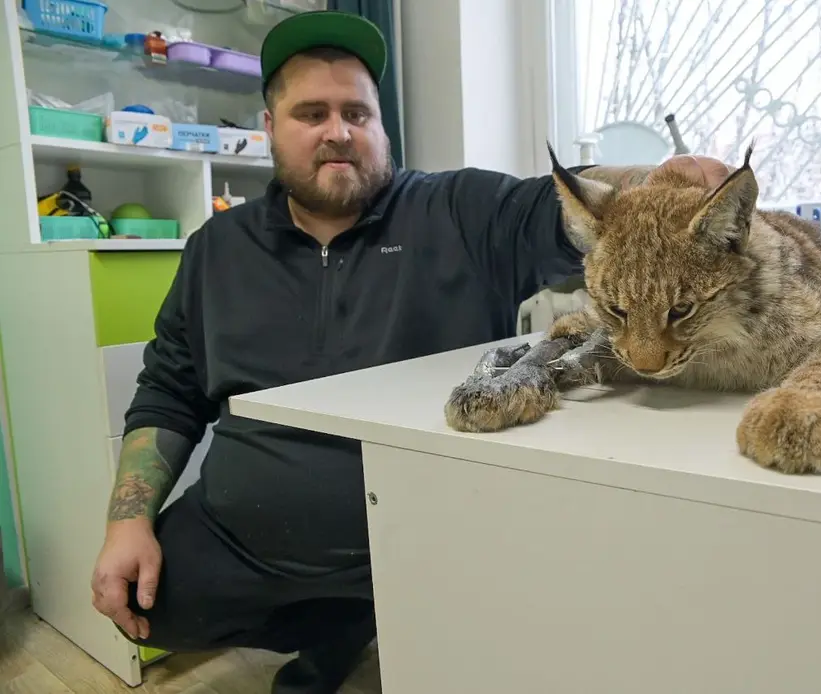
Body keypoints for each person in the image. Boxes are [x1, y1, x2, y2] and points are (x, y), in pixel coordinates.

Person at [88, 10, 733, 694]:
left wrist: (659, 186)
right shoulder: (215, 250)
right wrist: (128, 520)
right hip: (246, 537)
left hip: (430, 534)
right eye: (312, 113)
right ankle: (339, 625)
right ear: (269, 128)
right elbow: (169, 388)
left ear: (382, 129)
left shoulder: (460, 210)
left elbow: (557, 204)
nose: (339, 132)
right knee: (148, 605)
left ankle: (377, 612)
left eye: (358, 114)